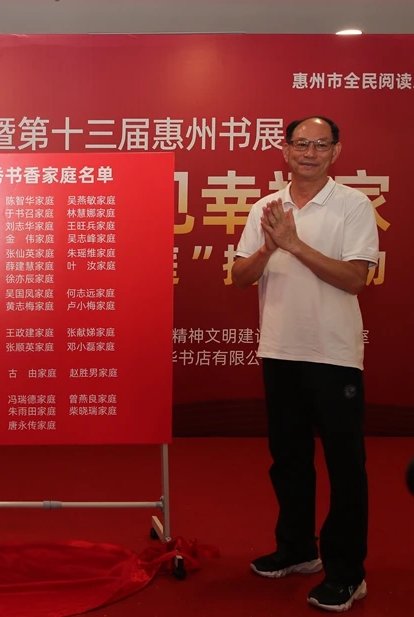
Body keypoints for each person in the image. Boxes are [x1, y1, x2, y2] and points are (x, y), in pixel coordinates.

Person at [232, 116, 378, 612]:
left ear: (336, 151)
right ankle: (297, 549)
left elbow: (355, 279)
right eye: (301, 144)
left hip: (333, 355)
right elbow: (240, 276)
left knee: (345, 466)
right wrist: (269, 246)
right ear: (285, 150)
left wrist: (294, 245)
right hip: (279, 350)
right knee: (289, 459)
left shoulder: (353, 205)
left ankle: (348, 572)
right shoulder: (265, 208)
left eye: (320, 145)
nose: (309, 153)